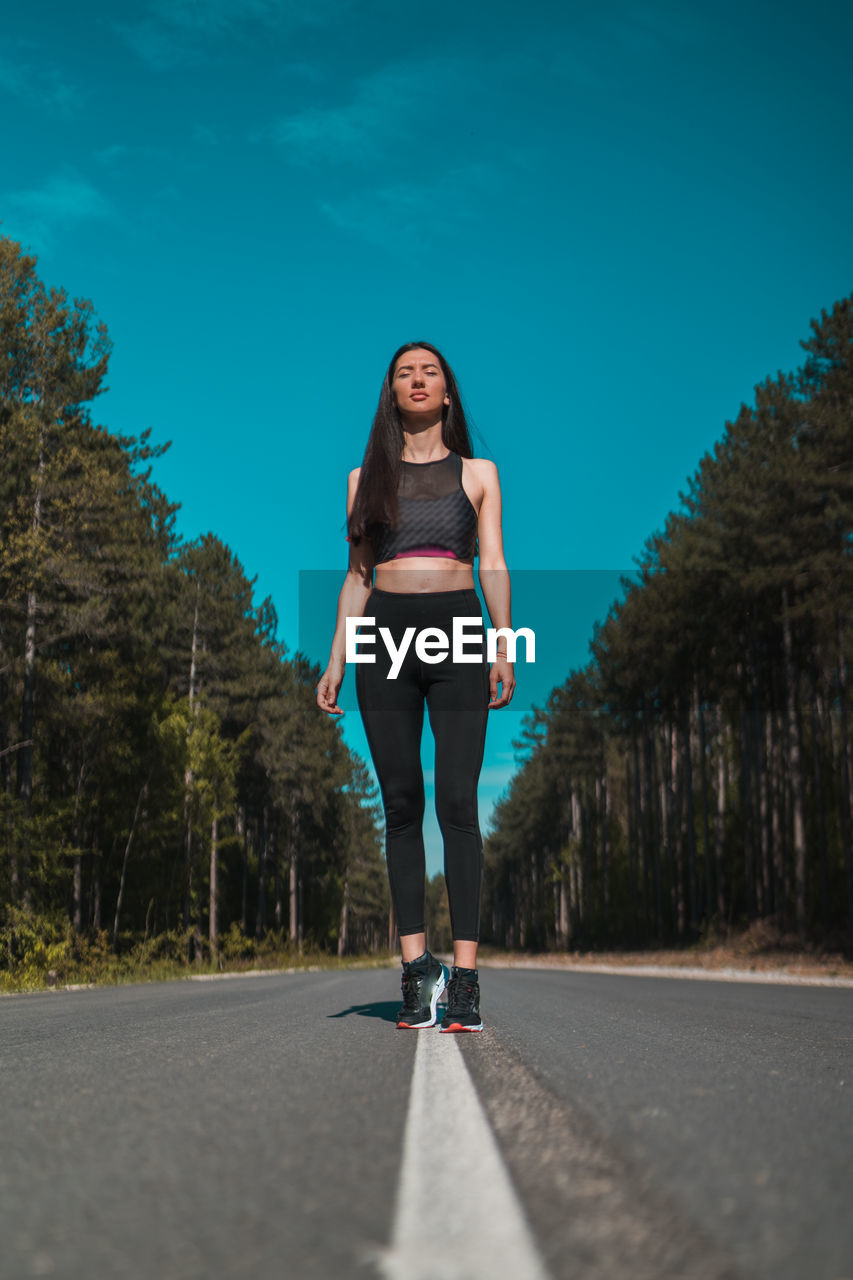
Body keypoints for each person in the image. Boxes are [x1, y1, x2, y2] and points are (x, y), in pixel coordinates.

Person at [316, 341, 514, 1031]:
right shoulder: (362, 480)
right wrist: (337, 658)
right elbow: (357, 577)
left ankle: (463, 977)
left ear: (448, 392)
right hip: (385, 634)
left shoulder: (479, 473)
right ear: (391, 393)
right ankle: (414, 971)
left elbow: (491, 561)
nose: (418, 379)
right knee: (400, 802)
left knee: (457, 801)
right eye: (405, 373)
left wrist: (502, 642)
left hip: (459, 629)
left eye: (430, 371)